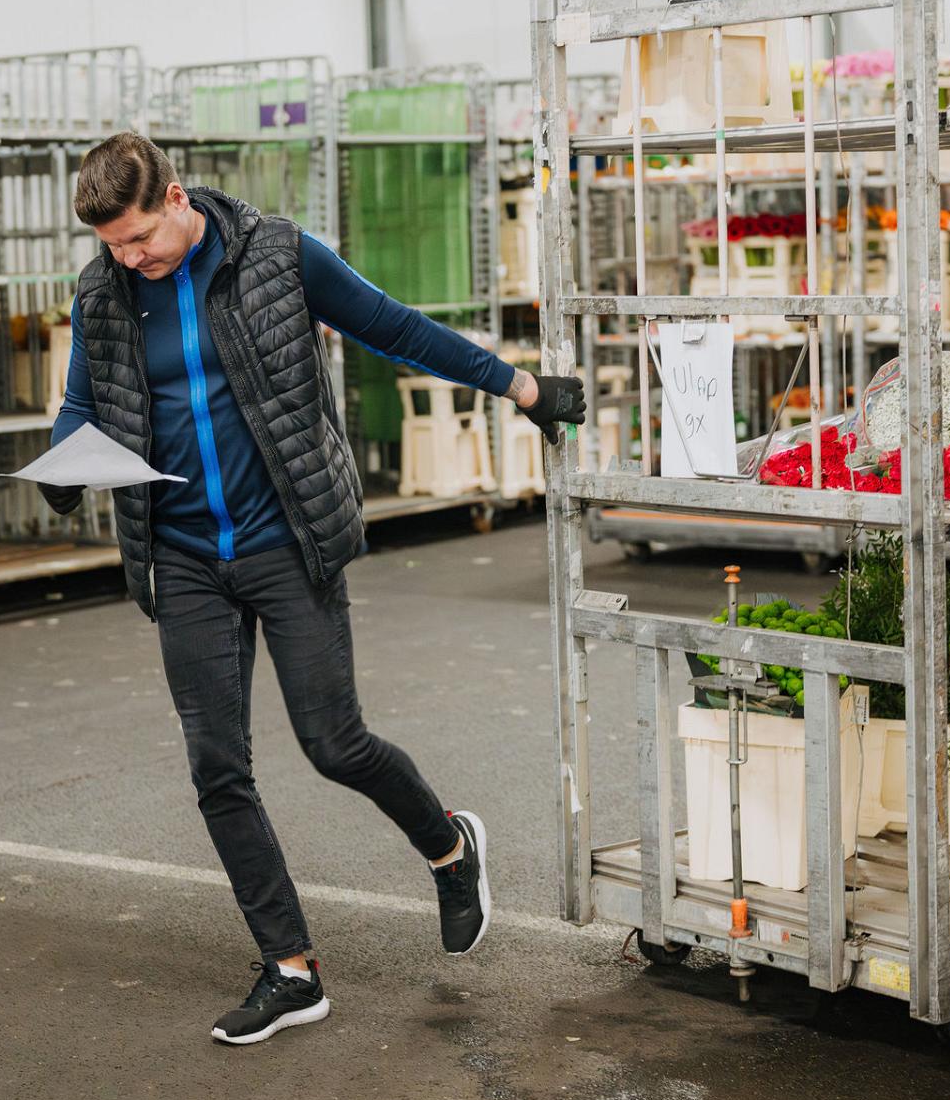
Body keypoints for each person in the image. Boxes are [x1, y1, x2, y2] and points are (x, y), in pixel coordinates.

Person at [42, 131, 584, 1046]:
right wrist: (62, 463)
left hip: (284, 537)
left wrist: (519, 386)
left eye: (138, 239)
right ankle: (290, 969)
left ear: (177, 198)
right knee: (218, 768)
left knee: (333, 743)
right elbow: (84, 402)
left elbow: (394, 326)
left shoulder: (277, 255)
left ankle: (449, 847)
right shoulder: (102, 291)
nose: (127, 259)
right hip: (179, 553)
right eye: (111, 246)